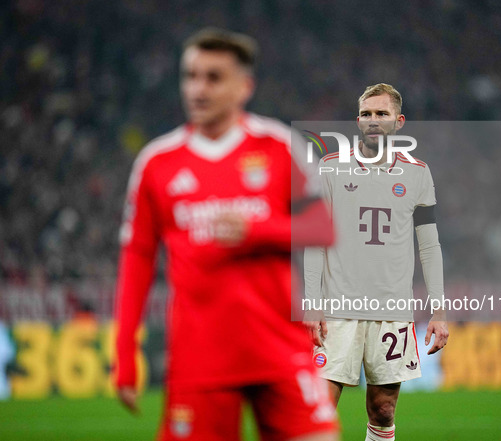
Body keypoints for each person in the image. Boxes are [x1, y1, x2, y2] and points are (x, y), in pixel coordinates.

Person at [114, 28, 339, 441]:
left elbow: (324, 228)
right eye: (191, 76)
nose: (198, 89)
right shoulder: (156, 163)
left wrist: (258, 230)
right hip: (200, 361)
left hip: (281, 349)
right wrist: (125, 354)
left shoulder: (279, 146)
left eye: (213, 77)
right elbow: (137, 258)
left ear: (244, 87)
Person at [304, 83, 449, 440]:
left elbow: (429, 245)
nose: (373, 120)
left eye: (381, 114)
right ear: (357, 120)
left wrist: (439, 310)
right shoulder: (331, 167)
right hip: (338, 309)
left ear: (398, 122)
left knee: (383, 410)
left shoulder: (418, 173)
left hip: (392, 310)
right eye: (366, 114)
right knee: (318, 410)